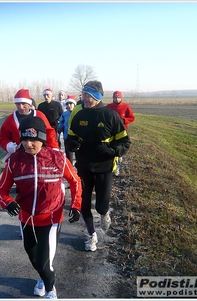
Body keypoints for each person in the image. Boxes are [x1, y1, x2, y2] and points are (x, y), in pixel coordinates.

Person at [0, 116, 82, 299]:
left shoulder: (57, 158)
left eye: (33, 139)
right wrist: (8, 203)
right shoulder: (14, 161)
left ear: (42, 138)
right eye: (24, 139)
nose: (28, 144)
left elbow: (75, 181)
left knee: (44, 262)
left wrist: (76, 205)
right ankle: (44, 277)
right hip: (26, 219)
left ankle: (50, 288)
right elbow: (1, 189)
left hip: (51, 218)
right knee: (34, 259)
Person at [66, 80, 131, 252]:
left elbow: (125, 142)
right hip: (84, 167)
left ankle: (105, 212)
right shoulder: (79, 115)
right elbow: (71, 137)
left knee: (101, 205)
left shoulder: (110, 116)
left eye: (87, 95)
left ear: (96, 97)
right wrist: (72, 144)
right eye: (83, 95)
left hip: (105, 167)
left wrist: (111, 151)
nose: (84, 98)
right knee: (84, 204)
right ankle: (91, 235)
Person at [0, 88, 59, 163]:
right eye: (18, 104)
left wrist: (53, 148)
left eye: (23, 104)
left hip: (39, 152)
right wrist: (8, 145)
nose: (21, 107)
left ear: (29, 104)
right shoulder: (10, 119)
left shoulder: (39, 115)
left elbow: (49, 132)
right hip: (19, 155)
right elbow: (3, 136)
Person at [106, 91, 135, 176]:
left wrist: (124, 120)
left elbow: (132, 117)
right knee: (112, 148)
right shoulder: (109, 107)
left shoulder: (126, 107)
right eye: (115, 97)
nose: (117, 99)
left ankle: (117, 167)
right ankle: (111, 165)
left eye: (118, 97)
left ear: (121, 98)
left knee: (119, 149)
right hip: (111, 132)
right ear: (113, 98)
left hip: (122, 131)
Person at [57, 95, 76, 163]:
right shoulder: (65, 114)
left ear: (74, 104)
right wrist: (60, 127)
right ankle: (70, 168)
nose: (69, 105)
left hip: (76, 137)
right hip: (67, 137)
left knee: (79, 156)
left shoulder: (78, 113)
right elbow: (61, 122)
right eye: (67, 104)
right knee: (69, 156)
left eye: (71, 103)